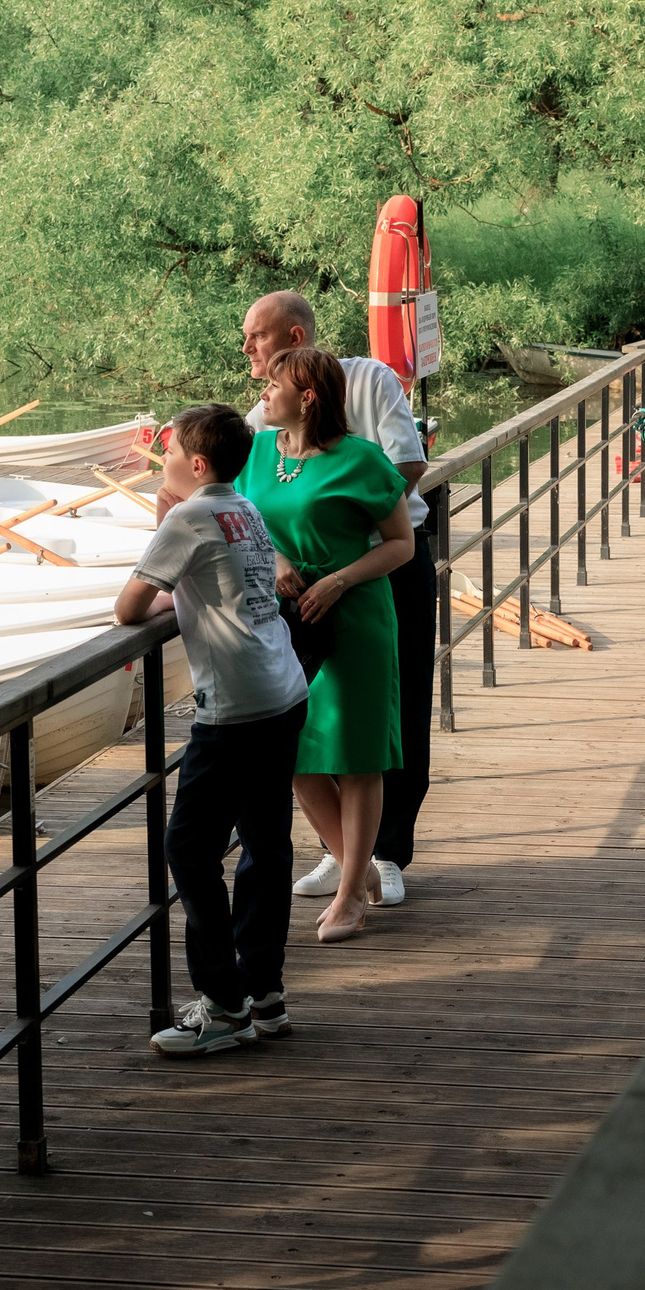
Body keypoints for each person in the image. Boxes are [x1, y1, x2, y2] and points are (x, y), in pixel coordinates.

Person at [115, 404, 311, 1056]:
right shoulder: (243, 507)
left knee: (189, 850)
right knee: (265, 844)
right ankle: (266, 994)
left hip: (234, 707)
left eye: (166, 452)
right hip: (283, 687)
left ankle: (224, 1006)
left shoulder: (189, 514)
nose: (159, 461)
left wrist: (166, 521)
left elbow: (127, 609)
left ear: (195, 465)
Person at [238, 290, 436, 908]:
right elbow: (239, 499)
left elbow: (406, 465)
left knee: (389, 712)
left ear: (295, 339)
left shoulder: (371, 380)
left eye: (258, 337)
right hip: (296, 589)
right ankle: (344, 856)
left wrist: (346, 515)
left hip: (382, 567)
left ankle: (387, 853)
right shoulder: (263, 420)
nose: (248, 350)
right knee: (308, 726)